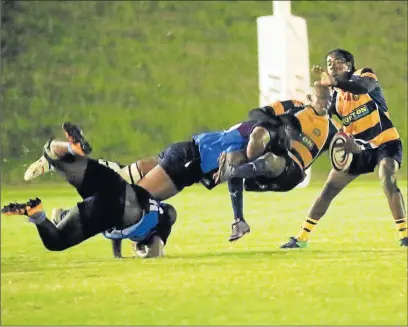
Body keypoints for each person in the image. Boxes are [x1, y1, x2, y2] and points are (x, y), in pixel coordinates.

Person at [281, 48, 407, 248]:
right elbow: (322, 120)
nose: (332, 65)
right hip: (357, 148)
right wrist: (313, 100)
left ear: (349, 65)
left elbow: (363, 88)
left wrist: (335, 82)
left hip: (385, 141)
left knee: (387, 177)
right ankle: (301, 238)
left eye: (338, 61)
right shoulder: (334, 96)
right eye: (329, 63)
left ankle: (405, 236)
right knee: (329, 188)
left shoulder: (364, 75)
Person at [1, 123, 177, 257]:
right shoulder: (158, 227)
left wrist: (118, 254)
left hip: (114, 186)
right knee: (56, 242)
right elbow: (154, 249)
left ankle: (71, 149)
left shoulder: (154, 207)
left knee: (52, 152)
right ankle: (36, 214)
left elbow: (121, 232)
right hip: (110, 214)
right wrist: (140, 251)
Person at [215, 84, 339, 241]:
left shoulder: (332, 128)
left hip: (291, 172)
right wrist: (280, 127)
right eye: (322, 100)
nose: (327, 104)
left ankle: (232, 172)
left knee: (270, 161)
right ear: (308, 98)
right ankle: (239, 221)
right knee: (237, 154)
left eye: (329, 100)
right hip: (270, 156)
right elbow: (257, 113)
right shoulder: (293, 106)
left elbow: (351, 143)